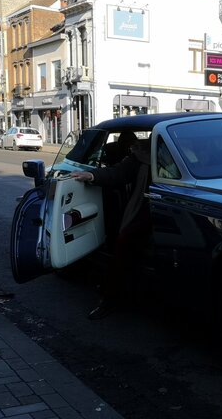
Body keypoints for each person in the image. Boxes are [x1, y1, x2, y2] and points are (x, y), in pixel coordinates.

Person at [70, 135, 152, 320]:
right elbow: (118, 174)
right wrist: (92, 175)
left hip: (171, 208)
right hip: (145, 208)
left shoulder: (188, 154)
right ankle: (110, 298)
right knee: (124, 241)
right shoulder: (141, 155)